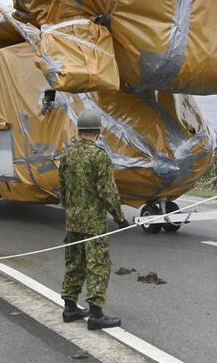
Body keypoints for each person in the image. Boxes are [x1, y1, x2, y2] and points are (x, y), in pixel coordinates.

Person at [58, 110, 129, 330]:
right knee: (98, 265)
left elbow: (62, 187)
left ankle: (70, 307)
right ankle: (96, 314)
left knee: (74, 263)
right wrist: (119, 217)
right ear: (99, 132)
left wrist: (70, 209)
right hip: (94, 223)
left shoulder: (68, 154)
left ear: (78, 131)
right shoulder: (99, 156)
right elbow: (107, 191)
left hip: (73, 220)